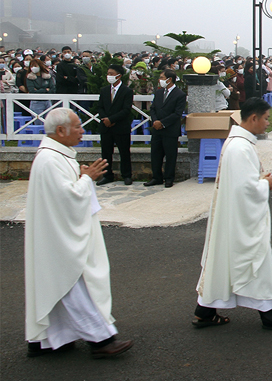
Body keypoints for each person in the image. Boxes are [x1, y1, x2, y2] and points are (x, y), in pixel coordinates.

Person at [25, 108, 133, 358]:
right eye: (77, 126)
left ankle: (47, 340)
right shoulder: (49, 159)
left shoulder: (56, 156)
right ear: (60, 131)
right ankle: (101, 340)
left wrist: (81, 176)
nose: (82, 131)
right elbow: (68, 198)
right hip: (59, 239)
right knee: (71, 284)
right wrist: (86, 179)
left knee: (59, 285)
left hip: (55, 235)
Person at [194, 98, 272, 332]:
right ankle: (270, 317)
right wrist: (267, 183)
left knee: (223, 261)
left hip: (231, 216)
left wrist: (259, 181)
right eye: (266, 118)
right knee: (257, 262)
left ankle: (205, 310)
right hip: (242, 219)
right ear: (253, 118)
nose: (267, 123)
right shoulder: (241, 147)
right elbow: (247, 190)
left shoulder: (237, 143)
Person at [145, 70, 186, 188]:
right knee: (156, 154)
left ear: (169, 79)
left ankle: (169, 178)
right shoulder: (159, 93)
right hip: (157, 129)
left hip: (170, 129)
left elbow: (177, 113)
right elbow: (153, 108)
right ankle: (156, 177)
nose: (160, 80)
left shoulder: (179, 94)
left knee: (170, 155)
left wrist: (163, 123)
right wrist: (155, 121)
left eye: (162, 77)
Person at [96, 65, 134, 186]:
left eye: (112, 74)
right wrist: (105, 119)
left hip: (120, 126)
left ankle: (127, 175)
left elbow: (126, 109)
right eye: (108, 73)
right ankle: (107, 175)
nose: (109, 76)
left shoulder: (127, 91)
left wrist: (112, 119)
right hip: (106, 127)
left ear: (119, 75)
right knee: (106, 152)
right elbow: (100, 107)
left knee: (124, 152)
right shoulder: (104, 90)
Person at [25, 59, 55, 124]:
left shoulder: (47, 76)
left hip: (47, 101)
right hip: (36, 102)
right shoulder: (30, 78)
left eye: (35, 65)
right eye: (31, 66)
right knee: (38, 123)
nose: (33, 67)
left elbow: (52, 89)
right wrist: (45, 90)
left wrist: (39, 90)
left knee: (49, 123)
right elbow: (32, 91)